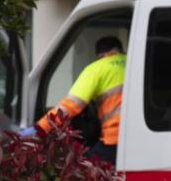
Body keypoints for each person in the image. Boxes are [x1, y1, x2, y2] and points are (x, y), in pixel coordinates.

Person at [25, 36, 125, 164]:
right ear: (120, 50)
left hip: (116, 138)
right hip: (142, 136)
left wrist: (39, 129)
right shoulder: (137, 63)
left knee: (82, 167)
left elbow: (71, 106)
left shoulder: (96, 68)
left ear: (100, 56)